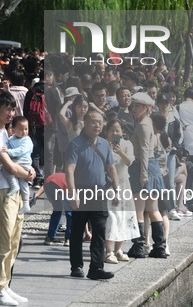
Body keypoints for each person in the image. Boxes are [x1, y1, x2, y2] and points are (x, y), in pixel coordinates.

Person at [0, 91, 35, 306]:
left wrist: (28, 170)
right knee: (2, 241)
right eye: (7, 109)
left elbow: (21, 159)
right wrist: (29, 174)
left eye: (13, 109)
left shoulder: (8, 134)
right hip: (0, 190)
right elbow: (10, 166)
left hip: (15, 192)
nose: (11, 113)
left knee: (14, 241)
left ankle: (6, 285)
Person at [66, 110, 120, 280]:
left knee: (99, 230)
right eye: (93, 122)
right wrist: (72, 192)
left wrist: (117, 190)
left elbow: (111, 168)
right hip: (81, 190)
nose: (97, 125)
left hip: (99, 192)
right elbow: (69, 169)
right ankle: (76, 266)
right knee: (76, 231)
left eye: (100, 122)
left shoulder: (104, 144)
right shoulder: (75, 144)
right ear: (86, 123)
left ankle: (96, 267)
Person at [127, 93, 168, 259]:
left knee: (139, 209)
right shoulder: (148, 122)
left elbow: (143, 150)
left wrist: (143, 174)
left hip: (142, 168)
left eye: (137, 106)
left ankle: (139, 246)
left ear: (145, 107)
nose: (134, 109)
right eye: (134, 105)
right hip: (151, 167)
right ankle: (159, 247)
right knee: (153, 209)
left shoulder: (143, 125)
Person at [102, 119, 139, 264]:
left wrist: (120, 152)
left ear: (122, 132)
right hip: (109, 185)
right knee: (112, 217)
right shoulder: (104, 144)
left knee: (125, 216)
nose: (115, 133)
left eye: (118, 130)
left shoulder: (127, 144)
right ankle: (108, 250)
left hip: (125, 184)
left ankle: (119, 249)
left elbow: (130, 161)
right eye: (112, 130)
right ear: (107, 131)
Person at [5, 116, 34, 214]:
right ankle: (26, 203)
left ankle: (14, 186)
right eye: (21, 129)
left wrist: (8, 152)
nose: (24, 132)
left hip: (24, 161)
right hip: (18, 160)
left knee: (8, 167)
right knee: (23, 182)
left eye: (26, 129)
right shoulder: (12, 138)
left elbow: (21, 151)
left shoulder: (27, 140)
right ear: (13, 130)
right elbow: (8, 145)